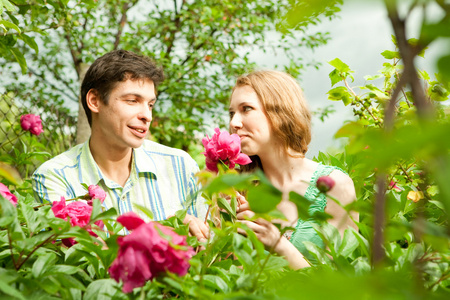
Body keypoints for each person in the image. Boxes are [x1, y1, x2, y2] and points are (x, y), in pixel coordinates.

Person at [32, 50, 208, 240]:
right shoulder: (55, 177)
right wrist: (160, 236)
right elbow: (82, 262)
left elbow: (207, 253)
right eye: (133, 101)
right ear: (94, 101)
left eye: (150, 104)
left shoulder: (180, 166)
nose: (147, 116)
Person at [228, 70, 358, 269]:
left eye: (246, 109)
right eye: (232, 113)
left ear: (280, 112)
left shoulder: (335, 186)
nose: (233, 123)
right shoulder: (235, 189)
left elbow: (341, 286)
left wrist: (279, 245)